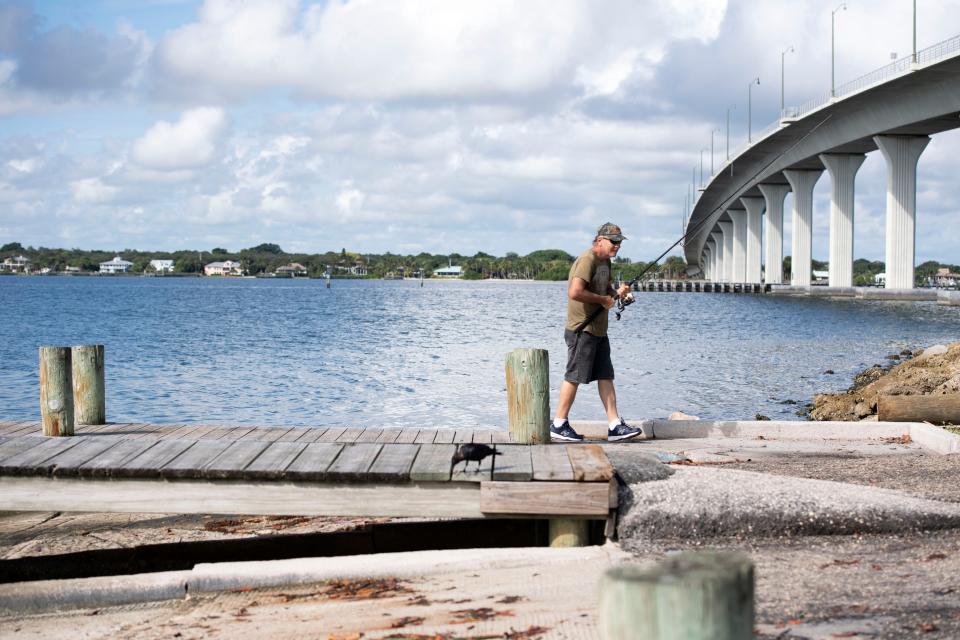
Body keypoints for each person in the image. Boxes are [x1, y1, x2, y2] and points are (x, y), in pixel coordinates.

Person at [551, 222, 644, 442]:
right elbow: (574, 292)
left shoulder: (606, 262)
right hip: (582, 329)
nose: (617, 246)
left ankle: (614, 425)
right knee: (574, 376)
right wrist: (603, 300)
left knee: (605, 375)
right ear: (599, 239)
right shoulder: (587, 260)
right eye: (614, 241)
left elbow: (605, 289)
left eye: (620, 242)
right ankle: (558, 424)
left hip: (599, 330)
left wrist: (617, 293)